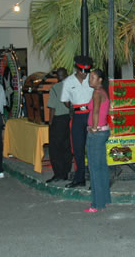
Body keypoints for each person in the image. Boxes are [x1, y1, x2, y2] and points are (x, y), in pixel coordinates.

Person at [60, 55, 94, 188]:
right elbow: (65, 101)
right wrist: (75, 108)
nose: (85, 74)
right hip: (78, 117)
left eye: (87, 70)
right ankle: (79, 179)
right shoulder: (68, 81)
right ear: (77, 69)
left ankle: (94, 179)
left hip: (91, 115)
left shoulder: (92, 77)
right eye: (82, 71)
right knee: (78, 149)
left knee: (92, 149)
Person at [84, 69, 112, 213]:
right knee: (101, 167)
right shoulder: (103, 91)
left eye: (93, 77)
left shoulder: (97, 93)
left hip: (97, 133)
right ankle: (105, 200)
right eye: (89, 77)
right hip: (104, 131)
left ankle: (96, 204)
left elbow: (95, 111)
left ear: (100, 79)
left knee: (94, 168)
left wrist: (93, 128)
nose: (90, 79)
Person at [46, 68, 72, 183]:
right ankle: (66, 172)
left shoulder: (55, 88)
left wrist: (50, 123)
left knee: (55, 148)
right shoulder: (72, 86)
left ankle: (58, 174)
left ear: (57, 76)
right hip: (70, 119)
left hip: (58, 119)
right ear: (66, 75)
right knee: (67, 147)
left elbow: (52, 108)